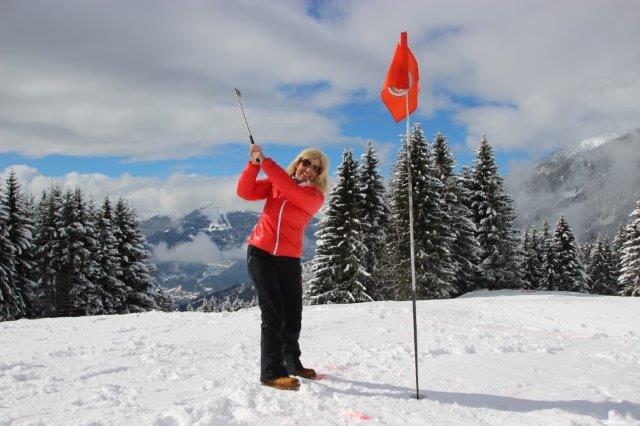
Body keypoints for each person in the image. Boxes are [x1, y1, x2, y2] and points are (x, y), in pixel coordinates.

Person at [236, 144, 329, 391]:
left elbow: (290, 191)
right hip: (260, 252)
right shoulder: (275, 183)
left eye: (315, 168)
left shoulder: (315, 197)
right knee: (273, 313)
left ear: (318, 175)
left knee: (293, 314)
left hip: (289, 258)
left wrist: (266, 162)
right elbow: (244, 192)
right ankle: (271, 372)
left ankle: (292, 364)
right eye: (306, 162)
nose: (308, 169)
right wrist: (253, 165)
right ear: (298, 162)